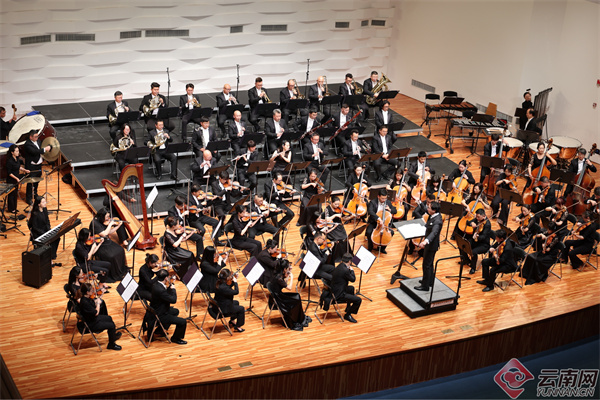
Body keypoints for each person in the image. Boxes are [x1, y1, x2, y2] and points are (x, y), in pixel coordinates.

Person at [79, 282, 122, 350]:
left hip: (93, 319)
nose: (93, 291)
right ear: (87, 292)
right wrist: (98, 304)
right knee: (111, 325)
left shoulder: (85, 298)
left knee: (109, 318)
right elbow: (96, 313)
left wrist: (101, 295)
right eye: (91, 290)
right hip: (92, 324)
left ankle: (113, 336)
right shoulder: (85, 303)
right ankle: (111, 345)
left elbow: (93, 305)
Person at [90, 208, 128, 282]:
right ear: (102, 216)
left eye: (109, 216)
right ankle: (114, 274)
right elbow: (104, 234)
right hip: (99, 244)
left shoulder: (103, 221)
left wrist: (118, 226)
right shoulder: (94, 223)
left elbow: (109, 232)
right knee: (112, 256)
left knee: (121, 250)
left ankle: (120, 271)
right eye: (107, 216)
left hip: (106, 241)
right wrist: (110, 224)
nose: (108, 218)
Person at [269, 260, 309, 331]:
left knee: (297, 296)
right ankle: (296, 319)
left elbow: (285, 283)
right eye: (287, 267)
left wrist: (288, 274)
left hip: (278, 295)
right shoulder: (278, 278)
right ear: (284, 269)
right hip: (278, 298)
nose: (288, 268)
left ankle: (299, 317)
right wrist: (292, 277)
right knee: (296, 299)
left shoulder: (278, 274)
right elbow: (289, 288)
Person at [150, 269, 187, 344]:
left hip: (156, 309)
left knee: (175, 311)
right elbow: (173, 300)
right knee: (183, 322)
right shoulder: (160, 290)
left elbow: (164, 295)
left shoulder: (156, 284)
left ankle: (160, 330)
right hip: (161, 314)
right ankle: (176, 338)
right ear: (166, 278)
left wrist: (171, 285)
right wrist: (173, 289)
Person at [414, 201, 443, 291]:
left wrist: (425, 241)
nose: (427, 208)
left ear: (434, 210)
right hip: (430, 245)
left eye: (429, 207)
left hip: (431, 246)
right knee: (429, 264)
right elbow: (425, 210)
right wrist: (419, 203)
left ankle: (425, 286)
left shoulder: (437, 221)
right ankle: (429, 281)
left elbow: (434, 233)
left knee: (426, 265)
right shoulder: (434, 214)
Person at [28, 195, 61, 265]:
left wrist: (49, 229)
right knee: (48, 242)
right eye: (43, 202)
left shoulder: (45, 209)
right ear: (39, 204)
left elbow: (47, 221)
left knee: (57, 238)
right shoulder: (35, 214)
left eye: (45, 201)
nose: (45, 203)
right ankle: (49, 258)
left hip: (46, 230)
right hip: (38, 233)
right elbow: (35, 228)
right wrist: (44, 233)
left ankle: (52, 255)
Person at [23, 129, 51, 205]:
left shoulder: (38, 141)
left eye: (37, 136)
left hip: (38, 165)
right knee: (30, 182)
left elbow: (41, 147)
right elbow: (35, 152)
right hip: (31, 166)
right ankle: (28, 198)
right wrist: (45, 149)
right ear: (30, 137)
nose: (37, 138)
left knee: (37, 180)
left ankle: (35, 194)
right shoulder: (27, 144)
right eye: (35, 137)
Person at [331, 253, 361, 323]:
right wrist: (352, 270)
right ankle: (348, 315)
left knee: (351, 288)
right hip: (339, 294)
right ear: (349, 261)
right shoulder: (345, 270)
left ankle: (348, 307)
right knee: (358, 300)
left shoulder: (339, 266)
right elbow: (353, 279)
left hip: (335, 289)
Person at [366, 189, 396, 254]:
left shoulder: (388, 202)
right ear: (378, 196)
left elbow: (395, 210)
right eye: (382, 198)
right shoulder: (372, 202)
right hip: (374, 222)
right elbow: (370, 211)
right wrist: (378, 218)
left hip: (385, 224)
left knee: (391, 232)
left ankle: (382, 248)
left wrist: (390, 210)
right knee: (368, 232)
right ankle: (370, 247)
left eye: (385, 198)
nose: (384, 200)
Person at [461, 209, 491, 274]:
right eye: (476, 217)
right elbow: (467, 222)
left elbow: (484, 237)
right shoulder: (477, 219)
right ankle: (466, 260)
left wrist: (477, 236)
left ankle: (473, 268)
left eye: (478, 217)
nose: (477, 218)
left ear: (484, 216)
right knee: (462, 244)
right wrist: (471, 223)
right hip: (475, 240)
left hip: (483, 244)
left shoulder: (487, 224)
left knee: (473, 252)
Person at [321, 196, 349, 263]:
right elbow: (326, 219)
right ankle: (337, 257)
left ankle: (345, 255)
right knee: (337, 239)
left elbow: (344, 218)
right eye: (335, 204)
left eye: (338, 204)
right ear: (331, 202)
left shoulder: (340, 208)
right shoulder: (327, 209)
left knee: (345, 237)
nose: (337, 206)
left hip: (339, 225)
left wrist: (351, 216)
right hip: (331, 226)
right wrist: (335, 215)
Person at [5, 144, 29, 213]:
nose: (18, 152)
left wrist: (25, 170)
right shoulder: (9, 161)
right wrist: (16, 178)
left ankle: (14, 208)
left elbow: (18, 166)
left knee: (15, 194)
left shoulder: (17, 158)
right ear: (12, 152)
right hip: (11, 180)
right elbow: (9, 173)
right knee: (11, 194)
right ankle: (11, 209)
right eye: (16, 151)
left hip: (16, 178)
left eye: (18, 151)